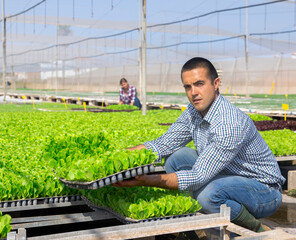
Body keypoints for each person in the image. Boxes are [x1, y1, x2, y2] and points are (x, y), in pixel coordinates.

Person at [113, 57, 285, 233]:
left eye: (199, 84)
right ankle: (190, 226)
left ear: (216, 83)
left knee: (207, 196)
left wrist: (146, 181)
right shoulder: (193, 112)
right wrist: (118, 155)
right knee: (176, 158)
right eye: (188, 86)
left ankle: (257, 229)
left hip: (263, 190)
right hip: (225, 174)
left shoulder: (229, 123)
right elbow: (162, 145)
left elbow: (197, 176)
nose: (193, 92)